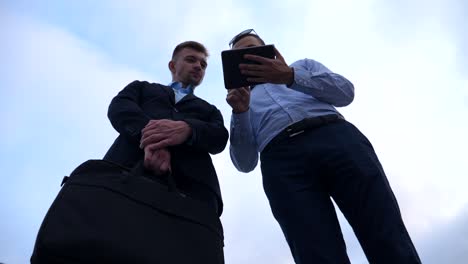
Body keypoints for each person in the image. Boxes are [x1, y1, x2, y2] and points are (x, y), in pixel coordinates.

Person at [226, 29, 421, 264]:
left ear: (271, 52)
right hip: (281, 161)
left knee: (384, 230)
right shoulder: (240, 102)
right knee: (314, 251)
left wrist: (290, 75)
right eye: (239, 56)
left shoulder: (303, 66)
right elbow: (245, 162)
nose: (248, 57)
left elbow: (345, 93)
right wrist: (240, 112)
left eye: (253, 49)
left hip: (335, 137)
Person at [104, 40, 229, 218]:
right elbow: (120, 108)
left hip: (192, 193)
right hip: (125, 172)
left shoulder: (210, 110)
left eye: (203, 64)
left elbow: (220, 137)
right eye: (191, 60)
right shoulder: (142, 87)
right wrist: (153, 139)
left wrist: (189, 129)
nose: (198, 66)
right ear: (172, 65)